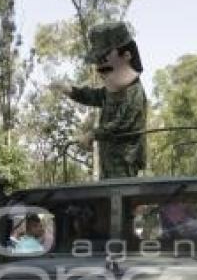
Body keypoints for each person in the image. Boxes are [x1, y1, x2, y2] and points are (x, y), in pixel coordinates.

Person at [50, 21, 147, 179]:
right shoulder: (113, 91)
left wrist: (92, 134)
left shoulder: (134, 92)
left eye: (104, 62)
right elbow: (94, 96)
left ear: (127, 56)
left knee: (120, 198)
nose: (100, 71)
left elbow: (121, 123)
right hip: (109, 162)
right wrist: (70, 90)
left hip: (125, 162)